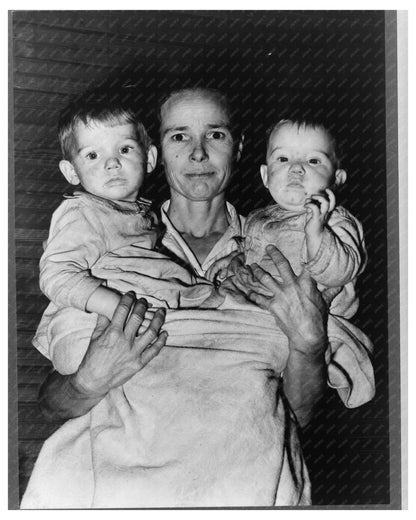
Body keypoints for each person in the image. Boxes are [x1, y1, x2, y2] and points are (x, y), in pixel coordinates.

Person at [21, 88, 374, 508]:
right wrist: (87, 381)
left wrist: (310, 342)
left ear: (240, 148)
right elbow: (51, 402)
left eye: (216, 135)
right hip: (115, 485)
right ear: (155, 152)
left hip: (242, 483)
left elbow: (294, 415)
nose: (199, 153)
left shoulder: (290, 251)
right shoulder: (105, 238)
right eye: (179, 136)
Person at [208, 118, 373, 407]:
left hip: (310, 325)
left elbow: (341, 270)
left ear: (337, 178)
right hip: (255, 318)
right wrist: (235, 259)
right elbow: (253, 252)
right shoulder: (259, 218)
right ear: (265, 175)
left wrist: (316, 233)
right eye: (282, 158)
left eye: (313, 160)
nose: (296, 168)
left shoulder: (336, 221)